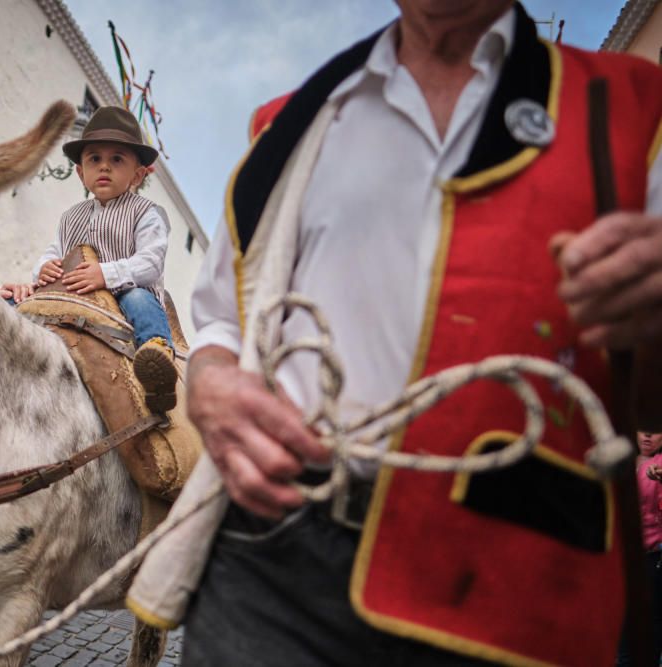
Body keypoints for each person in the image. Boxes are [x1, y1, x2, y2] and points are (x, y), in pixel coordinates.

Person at [181, 2, 662, 665]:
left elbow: (651, 406)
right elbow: (218, 317)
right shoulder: (294, 121)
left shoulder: (630, 109)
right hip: (271, 559)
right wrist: (208, 383)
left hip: (517, 579)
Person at [0, 106, 179, 413]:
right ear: (81, 173)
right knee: (9, 304)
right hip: (74, 295)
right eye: (94, 159)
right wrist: (43, 269)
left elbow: (151, 263)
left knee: (139, 299)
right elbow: (54, 251)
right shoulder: (71, 216)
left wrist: (106, 275)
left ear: (137, 175)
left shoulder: (147, 213)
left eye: (117, 159)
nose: (104, 167)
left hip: (125, 295)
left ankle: (156, 358)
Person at [617, 430, 662, 665]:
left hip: (651, 555)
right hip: (619, 556)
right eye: (643, 431)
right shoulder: (620, 457)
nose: (647, 437)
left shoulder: (659, 465)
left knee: (649, 621)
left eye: (655, 432)